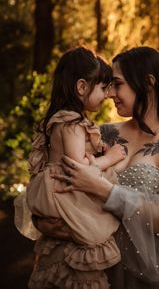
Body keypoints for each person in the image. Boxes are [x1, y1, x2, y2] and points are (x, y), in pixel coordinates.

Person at [18, 47, 159, 289]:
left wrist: (104, 191)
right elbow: (54, 179)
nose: (110, 94)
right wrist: (41, 220)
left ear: (148, 83)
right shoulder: (103, 133)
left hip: (140, 276)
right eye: (106, 87)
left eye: (117, 84)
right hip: (86, 268)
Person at [23, 47, 126, 289]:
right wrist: (110, 158)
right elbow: (78, 168)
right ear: (81, 87)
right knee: (84, 251)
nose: (107, 94)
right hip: (68, 196)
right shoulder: (71, 123)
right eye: (102, 87)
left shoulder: (62, 119)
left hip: (61, 194)